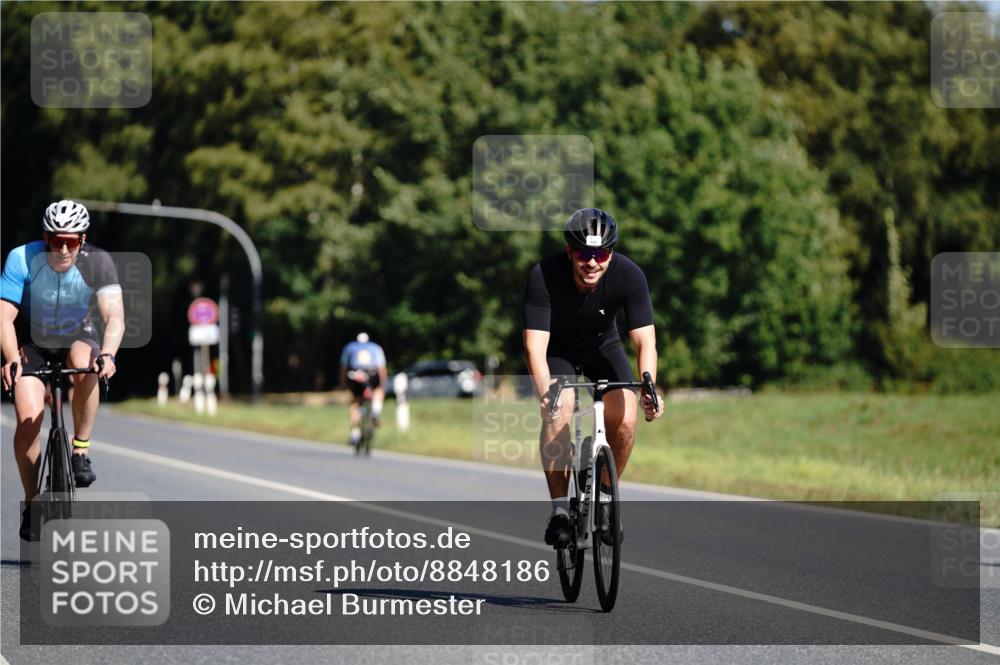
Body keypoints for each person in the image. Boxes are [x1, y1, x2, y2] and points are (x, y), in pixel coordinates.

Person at [522, 208, 663, 547]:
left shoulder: (629, 275)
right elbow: (534, 348)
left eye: (601, 254)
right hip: (560, 351)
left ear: (610, 254)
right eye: (584, 254)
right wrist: (546, 396)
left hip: (604, 348)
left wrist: (649, 386)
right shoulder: (544, 275)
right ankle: (558, 511)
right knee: (561, 407)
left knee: (626, 418)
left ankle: (603, 494)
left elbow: (645, 340)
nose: (592, 263)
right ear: (570, 252)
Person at [1, 200, 123, 540]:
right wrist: (12, 357)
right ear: (45, 237)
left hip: (76, 335)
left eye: (71, 240)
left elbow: (114, 316)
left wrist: (109, 354)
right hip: (32, 341)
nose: (64, 248)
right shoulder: (21, 258)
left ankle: (80, 449)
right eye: (57, 240)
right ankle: (31, 502)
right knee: (28, 419)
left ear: (83, 239)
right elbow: (4, 316)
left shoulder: (98, 262)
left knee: (87, 365)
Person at [338, 332, 388, 449]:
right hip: (372, 373)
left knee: (355, 401)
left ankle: (355, 433)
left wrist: (342, 383)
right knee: (378, 391)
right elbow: (381, 367)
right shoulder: (375, 347)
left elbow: (343, 367)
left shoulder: (350, 347)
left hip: (356, 374)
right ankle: (375, 412)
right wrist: (382, 384)